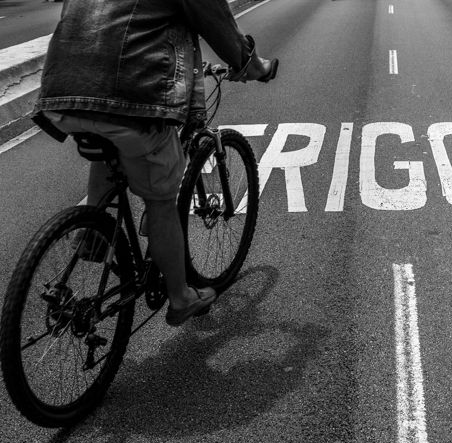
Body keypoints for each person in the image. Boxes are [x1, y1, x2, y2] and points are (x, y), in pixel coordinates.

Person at [32, 0, 278, 326]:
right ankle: (181, 297)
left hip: (61, 93)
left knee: (109, 149)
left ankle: (94, 233)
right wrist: (250, 64)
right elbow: (216, 20)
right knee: (161, 196)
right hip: (130, 94)